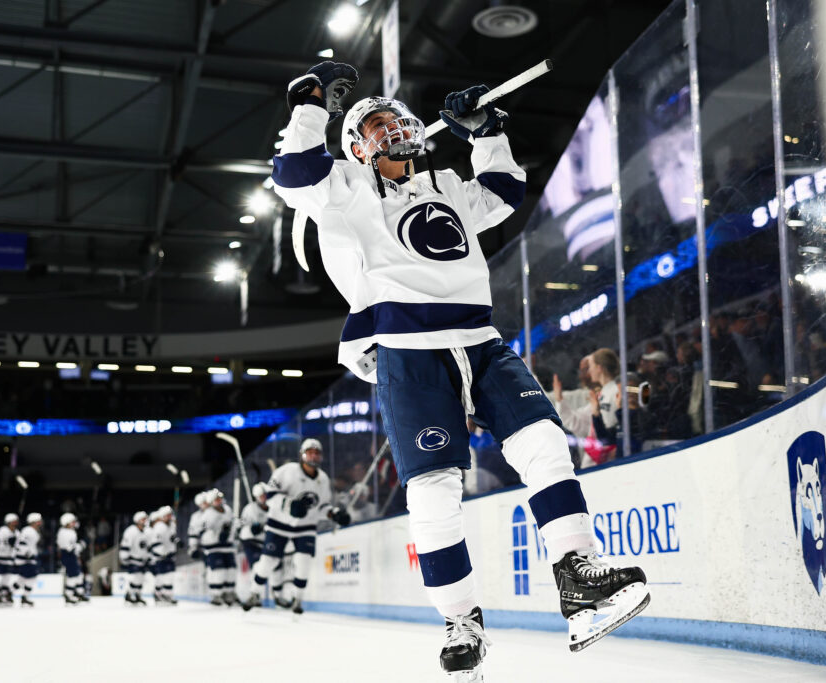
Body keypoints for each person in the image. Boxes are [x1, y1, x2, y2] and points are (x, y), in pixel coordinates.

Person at [271, 61, 648, 678]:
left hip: (481, 340)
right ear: (356, 149)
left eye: (392, 116)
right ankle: (461, 620)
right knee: (434, 491)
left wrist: (484, 130)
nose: (389, 125)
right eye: (372, 124)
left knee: (547, 444)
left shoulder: (447, 184)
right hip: (408, 353)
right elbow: (292, 174)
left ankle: (580, 579)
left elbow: (503, 193)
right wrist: (312, 101)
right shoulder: (347, 191)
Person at [241, 439, 351, 614]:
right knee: (268, 561)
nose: (313, 456)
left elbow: (321, 506)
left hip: (305, 526)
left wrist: (334, 514)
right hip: (279, 523)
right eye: (310, 452)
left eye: (317, 452)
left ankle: (297, 599)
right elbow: (270, 495)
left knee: (303, 562)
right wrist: (288, 505)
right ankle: (254, 593)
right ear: (302, 454)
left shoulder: (323, 479)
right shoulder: (286, 471)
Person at [200, 489, 237, 606]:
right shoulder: (207, 514)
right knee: (218, 571)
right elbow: (204, 532)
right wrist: (218, 534)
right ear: (211, 501)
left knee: (231, 570)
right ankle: (216, 594)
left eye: (220, 498)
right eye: (216, 499)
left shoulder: (228, 510)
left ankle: (229, 593)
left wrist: (234, 529)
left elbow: (233, 524)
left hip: (228, 546)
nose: (219, 501)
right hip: (214, 547)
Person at [119, 511, 150, 606]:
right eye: (143, 519)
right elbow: (125, 545)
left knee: (141, 579)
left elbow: (146, 547)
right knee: (134, 578)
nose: (145, 521)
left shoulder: (146, 531)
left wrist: (148, 557)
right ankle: (129, 595)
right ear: (138, 520)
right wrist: (124, 557)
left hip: (142, 560)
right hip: (133, 559)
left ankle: (137, 595)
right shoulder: (131, 531)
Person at [148, 506, 178, 605]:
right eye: (167, 515)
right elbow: (156, 543)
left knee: (169, 576)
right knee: (162, 577)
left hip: (169, 555)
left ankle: (165, 595)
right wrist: (164, 553)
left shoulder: (171, 525)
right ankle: (161, 595)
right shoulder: (159, 527)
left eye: (170, 515)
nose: (170, 517)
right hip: (160, 557)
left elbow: (171, 539)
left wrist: (176, 543)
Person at [57, 513, 88, 605]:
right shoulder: (64, 532)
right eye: (72, 522)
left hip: (71, 555)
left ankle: (80, 593)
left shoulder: (69, 531)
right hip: (68, 555)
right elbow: (69, 548)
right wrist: (81, 546)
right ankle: (68, 595)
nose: (74, 523)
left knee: (79, 575)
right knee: (73, 576)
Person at [14, 512, 42, 607]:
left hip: (28, 558)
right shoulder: (28, 531)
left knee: (23, 577)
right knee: (31, 576)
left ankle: (9, 592)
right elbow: (22, 543)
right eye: (38, 521)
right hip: (25, 559)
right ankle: (24, 597)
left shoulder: (32, 531)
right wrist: (27, 554)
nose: (40, 523)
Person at [239, 483, 269, 570]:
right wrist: (251, 528)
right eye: (261, 496)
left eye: (265, 495)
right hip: (252, 542)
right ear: (256, 497)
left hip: (265, 542)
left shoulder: (273, 508)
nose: (264, 498)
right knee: (257, 567)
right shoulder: (249, 509)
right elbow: (241, 524)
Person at [0, 513, 20, 606]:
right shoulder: (2, 531)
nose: (15, 523)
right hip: (1, 557)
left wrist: (14, 548)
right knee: (5, 577)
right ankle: (1, 595)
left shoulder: (17, 532)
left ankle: (3, 594)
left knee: (7, 577)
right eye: (13, 521)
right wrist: (8, 543)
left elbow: (18, 545)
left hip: (10, 557)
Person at [186, 492, 209, 561]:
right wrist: (193, 548)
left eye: (206, 502)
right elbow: (193, 533)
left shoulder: (217, 512)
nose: (205, 504)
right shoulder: (195, 517)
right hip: (205, 547)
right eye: (203, 503)